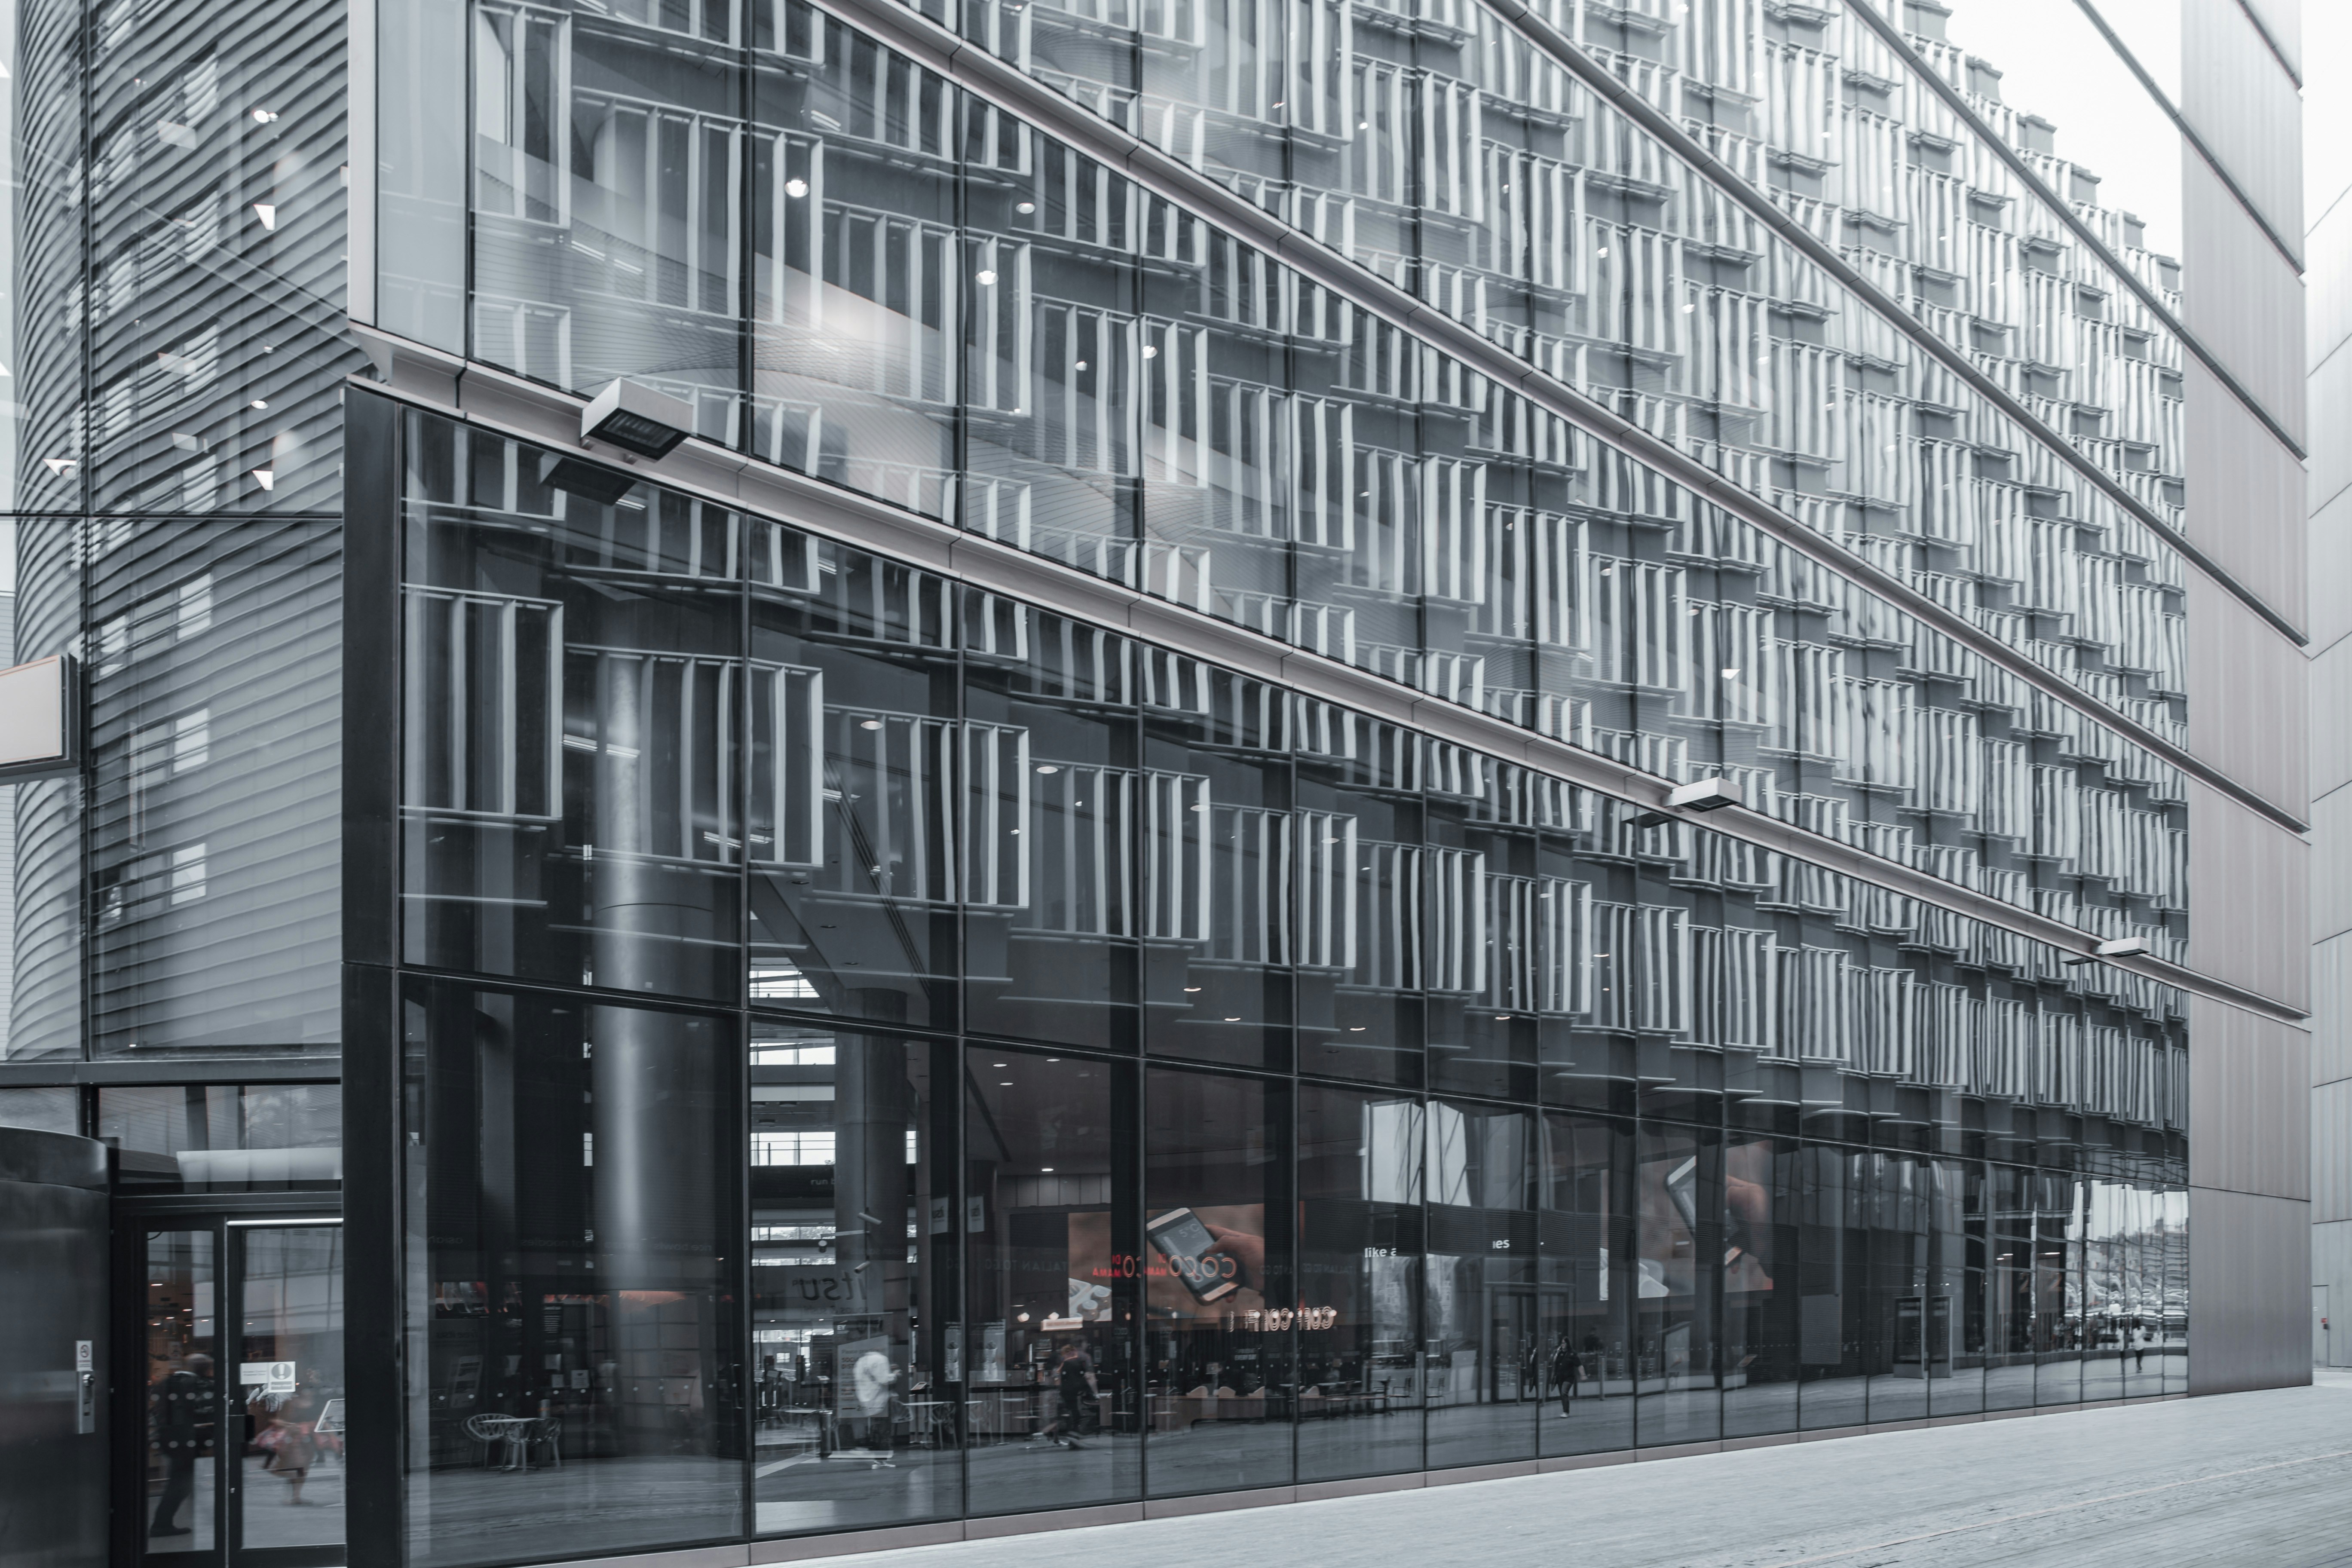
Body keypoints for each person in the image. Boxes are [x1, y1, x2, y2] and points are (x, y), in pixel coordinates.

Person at [150, 1354, 216, 1537]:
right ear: (204, 1369)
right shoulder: (201, 1384)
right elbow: (207, 1412)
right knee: (181, 1483)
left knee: (178, 1480)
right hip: (188, 1440)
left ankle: (162, 1522)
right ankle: (161, 1524)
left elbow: (156, 1410)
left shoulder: (168, 1382)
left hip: (167, 1439)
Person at [1041, 1341, 1099, 1449]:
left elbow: (1057, 1380)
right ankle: (1073, 1435)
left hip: (1064, 1393)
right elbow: (1089, 1376)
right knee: (1084, 1415)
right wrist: (1095, 1392)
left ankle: (1071, 1438)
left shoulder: (1064, 1363)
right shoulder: (1084, 1359)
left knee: (1069, 1415)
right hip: (1078, 1393)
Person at [1549, 1337, 1583, 1417]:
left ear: (1568, 1344)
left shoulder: (1572, 1353)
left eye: (1564, 1343)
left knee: (1564, 1392)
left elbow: (1579, 1365)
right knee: (1562, 1394)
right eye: (1562, 1343)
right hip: (1560, 1377)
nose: (1563, 1345)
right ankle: (1565, 1410)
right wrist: (1557, 1353)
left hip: (1569, 1377)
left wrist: (1583, 1375)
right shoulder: (1560, 1353)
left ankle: (1566, 1412)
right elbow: (1554, 1362)